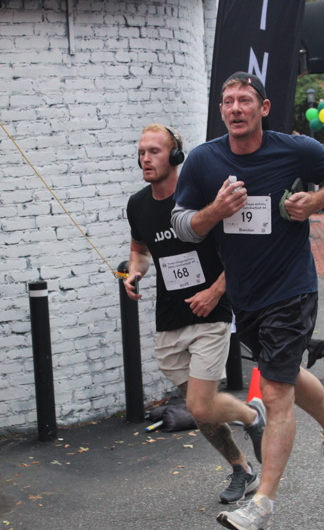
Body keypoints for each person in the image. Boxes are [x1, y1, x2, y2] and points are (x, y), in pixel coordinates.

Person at [171, 72, 324, 530]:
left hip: (291, 288)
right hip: (246, 295)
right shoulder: (204, 160)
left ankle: (261, 507)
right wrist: (215, 211)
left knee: (276, 392)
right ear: (222, 110)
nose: (235, 108)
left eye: (245, 100)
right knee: (285, 374)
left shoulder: (293, 149)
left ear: (263, 108)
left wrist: (316, 200)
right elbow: (182, 225)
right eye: (228, 101)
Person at [124, 123, 267, 504]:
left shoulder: (202, 201)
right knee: (202, 411)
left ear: (175, 156)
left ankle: (253, 417)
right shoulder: (138, 205)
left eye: (154, 151)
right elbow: (139, 249)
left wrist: (215, 291)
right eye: (141, 153)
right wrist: (134, 272)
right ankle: (241, 468)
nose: (145, 159)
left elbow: (242, 250)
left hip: (212, 311)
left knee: (200, 404)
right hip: (170, 318)